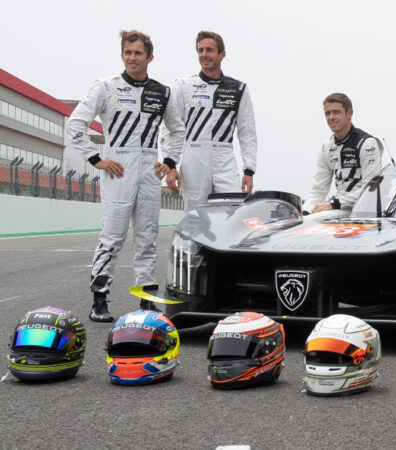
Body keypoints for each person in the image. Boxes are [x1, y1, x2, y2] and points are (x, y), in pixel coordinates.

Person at [67, 30, 185, 322]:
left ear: (150, 57)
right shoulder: (105, 86)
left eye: (138, 53)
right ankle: (99, 301)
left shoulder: (162, 92)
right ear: (122, 55)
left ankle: (146, 301)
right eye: (128, 53)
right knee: (112, 238)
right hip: (117, 170)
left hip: (148, 169)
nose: (133, 58)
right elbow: (76, 124)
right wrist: (96, 159)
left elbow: (177, 130)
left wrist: (169, 161)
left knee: (147, 238)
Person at [164, 31, 257, 212]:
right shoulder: (183, 86)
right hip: (193, 159)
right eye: (200, 50)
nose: (204, 55)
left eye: (209, 50)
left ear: (222, 54)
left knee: (231, 213)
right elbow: (169, 128)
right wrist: (171, 164)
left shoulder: (238, 88)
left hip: (225, 157)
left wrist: (249, 170)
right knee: (196, 217)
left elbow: (247, 132)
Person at [304, 93, 383, 214]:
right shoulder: (327, 146)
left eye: (336, 112)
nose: (331, 117)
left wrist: (335, 203)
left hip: (364, 212)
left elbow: (370, 188)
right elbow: (319, 190)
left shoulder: (367, 143)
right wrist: (305, 212)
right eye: (327, 113)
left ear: (349, 114)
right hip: (338, 211)